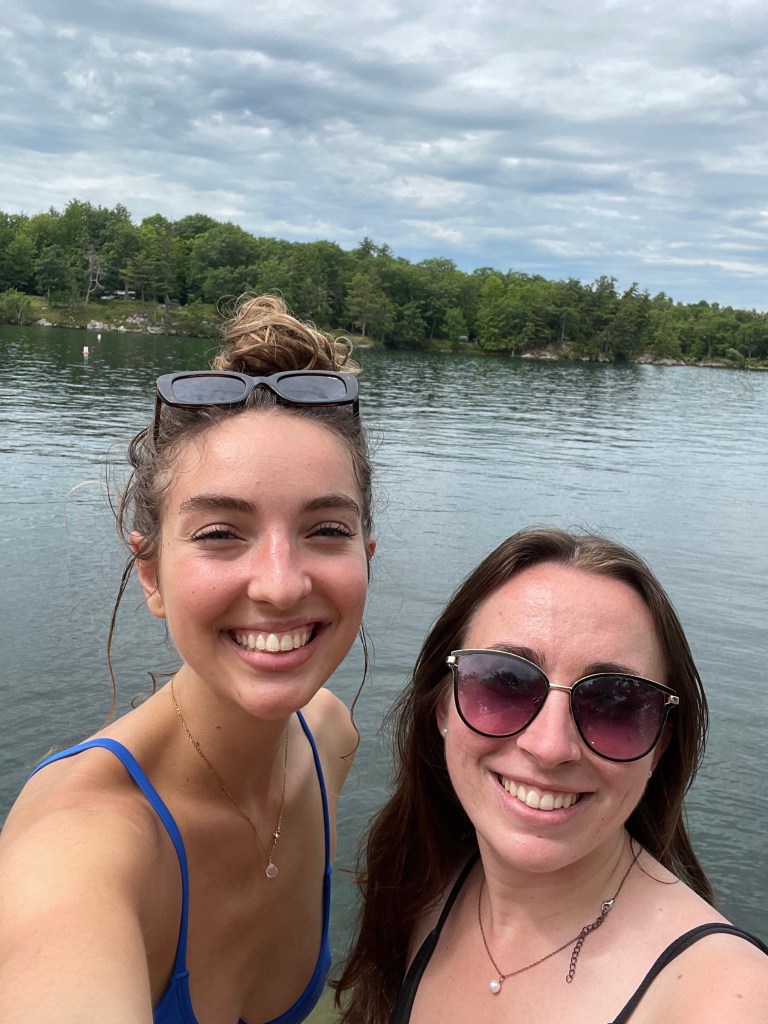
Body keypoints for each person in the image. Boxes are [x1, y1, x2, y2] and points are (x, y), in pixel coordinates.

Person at [0, 294, 376, 1023]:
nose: (280, 582)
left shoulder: (330, 737)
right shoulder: (83, 847)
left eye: (325, 528)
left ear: (366, 558)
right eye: (218, 533)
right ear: (151, 575)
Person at [335, 527, 768, 1024]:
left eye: (615, 703)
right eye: (503, 683)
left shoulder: (724, 1000)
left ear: (660, 745)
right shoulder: (423, 884)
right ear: (442, 705)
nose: (549, 747)